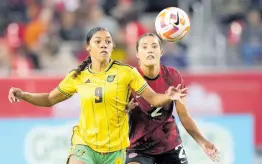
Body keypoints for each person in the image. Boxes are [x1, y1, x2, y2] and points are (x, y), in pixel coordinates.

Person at [8, 27, 187, 164]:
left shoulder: (127, 73)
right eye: (98, 41)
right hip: (85, 145)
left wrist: (168, 96)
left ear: (112, 46)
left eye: (108, 41)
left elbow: (154, 99)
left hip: (115, 151)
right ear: (88, 47)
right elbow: (49, 99)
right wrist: (23, 94)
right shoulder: (78, 76)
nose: (104, 44)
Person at [125, 33, 220, 164]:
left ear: (161, 51)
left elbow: (184, 115)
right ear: (137, 54)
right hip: (138, 147)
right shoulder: (129, 79)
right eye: (144, 47)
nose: (150, 50)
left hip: (169, 146)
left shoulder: (172, 76)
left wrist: (202, 142)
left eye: (154, 46)